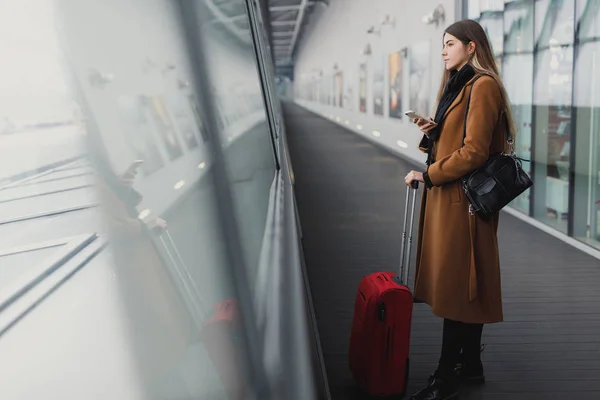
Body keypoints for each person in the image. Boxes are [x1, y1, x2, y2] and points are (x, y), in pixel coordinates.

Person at [404, 19, 514, 400]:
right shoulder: (462, 86)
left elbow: (474, 152)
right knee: (465, 285)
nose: (443, 51)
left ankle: (444, 377)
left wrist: (427, 175)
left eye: (450, 44)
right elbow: (462, 142)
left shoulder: (482, 86)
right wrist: (435, 132)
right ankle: (470, 365)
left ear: (472, 47)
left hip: (462, 203)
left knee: (457, 287)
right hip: (455, 202)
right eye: (443, 44)